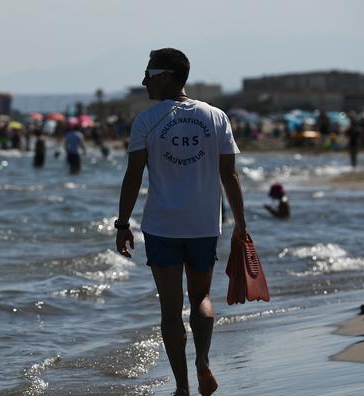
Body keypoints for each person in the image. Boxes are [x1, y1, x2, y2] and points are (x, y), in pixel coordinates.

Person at [115, 48, 247, 396]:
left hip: (162, 226)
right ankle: (203, 361)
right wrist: (241, 226)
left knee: (171, 310)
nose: (144, 81)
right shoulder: (215, 116)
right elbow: (229, 175)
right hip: (205, 224)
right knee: (202, 296)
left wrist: (122, 223)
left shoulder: (147, 120)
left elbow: (133, 175)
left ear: (168, 75)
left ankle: (182, 388)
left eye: (149, 73)